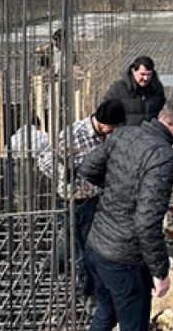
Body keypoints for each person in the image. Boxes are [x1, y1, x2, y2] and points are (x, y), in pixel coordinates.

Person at [76, 96, 173, 331]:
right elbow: (147, 221)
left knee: (104, 315)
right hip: (124, 259)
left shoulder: (124, 134)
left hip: (97, 245)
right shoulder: (163, 156)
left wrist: (117, 188)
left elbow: (87, 168)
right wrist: (160, 272)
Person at [38, 99, 127, 298]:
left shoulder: (107, 136)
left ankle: (53, 264)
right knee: (85, 250)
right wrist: (66, 174)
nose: (114, 132)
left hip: (96, 197)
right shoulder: (74, 134)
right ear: (103, 123)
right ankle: (88, 292)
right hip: (74, 201)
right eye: (113, 127)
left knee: (81, 241)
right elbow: (44, 160)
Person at [103, 55, 166, 126]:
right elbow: (106, 114)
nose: (146, 78)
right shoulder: (117, 89)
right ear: (133, 70)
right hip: (126, 135)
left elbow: (163, 112)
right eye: (142, 74)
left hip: (150, 134)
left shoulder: (157, 88)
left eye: (149, 75)